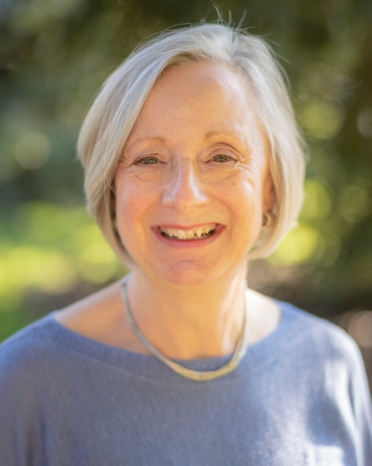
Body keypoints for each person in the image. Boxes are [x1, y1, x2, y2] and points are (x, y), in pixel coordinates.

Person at [0, 22, 371, 466]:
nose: (184, 196)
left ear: (270, 186)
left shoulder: (329, 364)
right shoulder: (21, 382)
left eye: (222, 157)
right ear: (112, 188)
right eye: (149, 159)